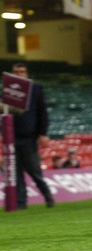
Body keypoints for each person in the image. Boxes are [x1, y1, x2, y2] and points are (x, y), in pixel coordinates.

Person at [11, 62, 54, 209]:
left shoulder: (35, 89)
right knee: (15, 173)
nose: (19, 74)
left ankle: (47, 195)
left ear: (27, 74)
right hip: (12, 138)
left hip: (29, 138)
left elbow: (43, 112)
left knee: (34, 170)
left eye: (21, 72)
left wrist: (43, 134)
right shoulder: (8, 91)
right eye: (16, 72)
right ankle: (21, 203)